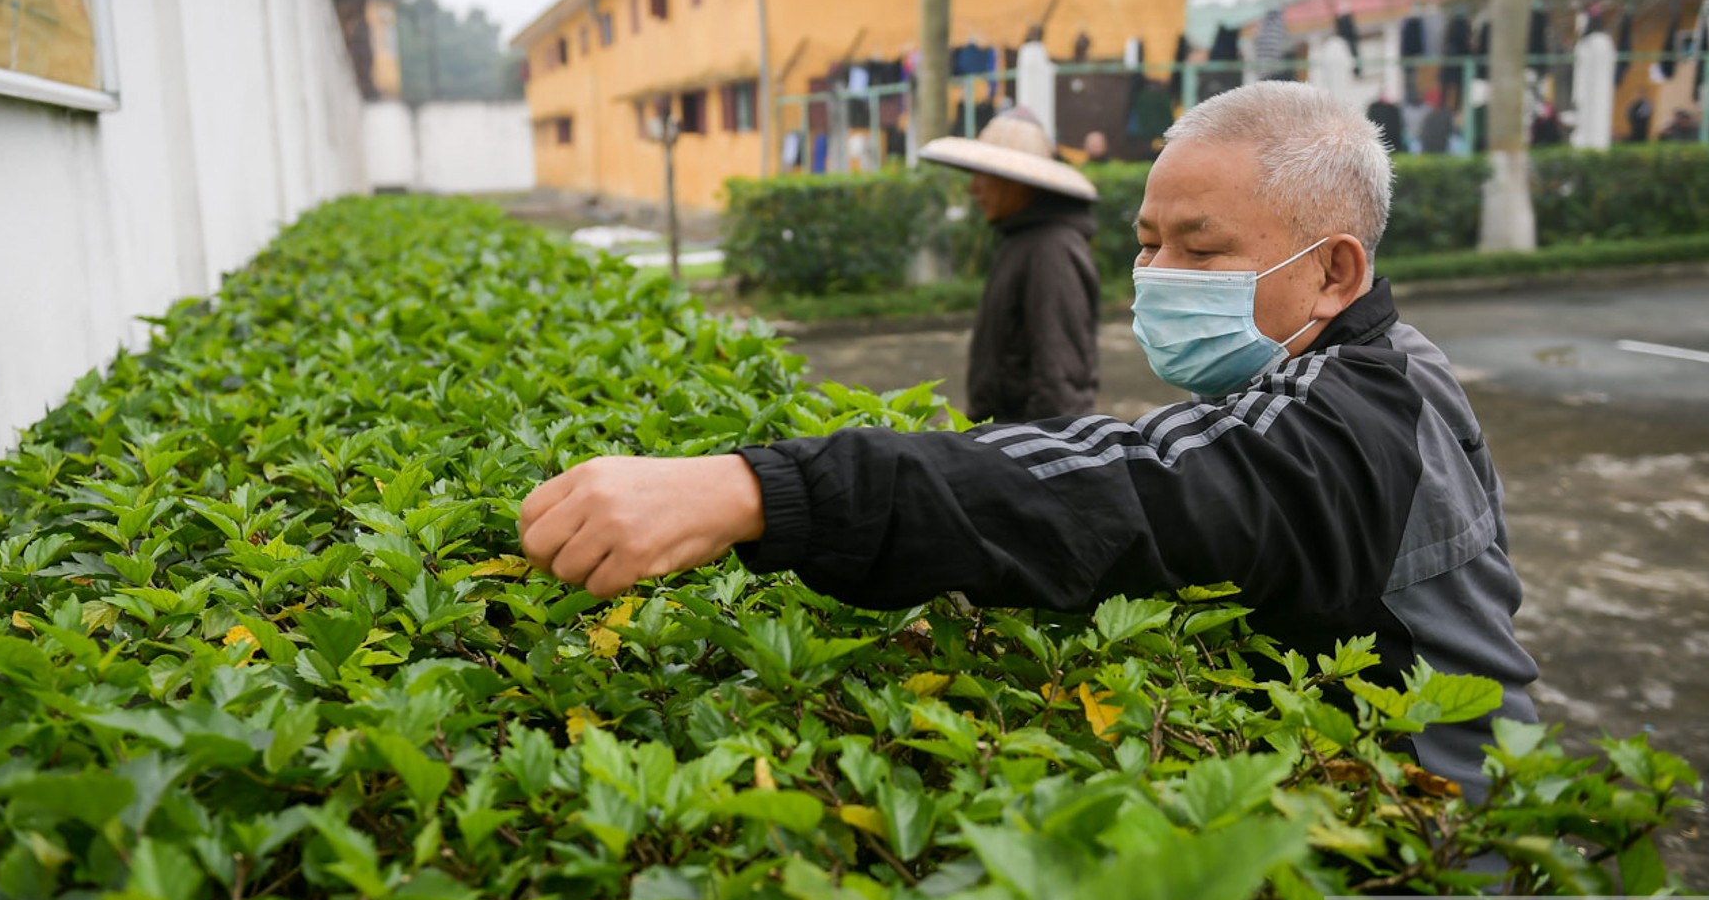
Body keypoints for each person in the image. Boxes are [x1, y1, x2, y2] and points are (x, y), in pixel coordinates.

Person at [518, 82, 1539, 801]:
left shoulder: (1351, 412)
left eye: (1201, 247)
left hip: (1447, 877)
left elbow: (1133, 488)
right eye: (1148, 242)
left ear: (1334, 271)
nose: (1159, 273)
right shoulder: (1356, 369)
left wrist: (758, 490)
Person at [918, 108, 1101, 423]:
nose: (972, 188)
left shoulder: (1051, 249)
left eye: (983, 176)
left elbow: (1061, 384)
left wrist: (1042, 461)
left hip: (1025, 455)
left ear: (1017, 182)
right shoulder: (1024, 239)